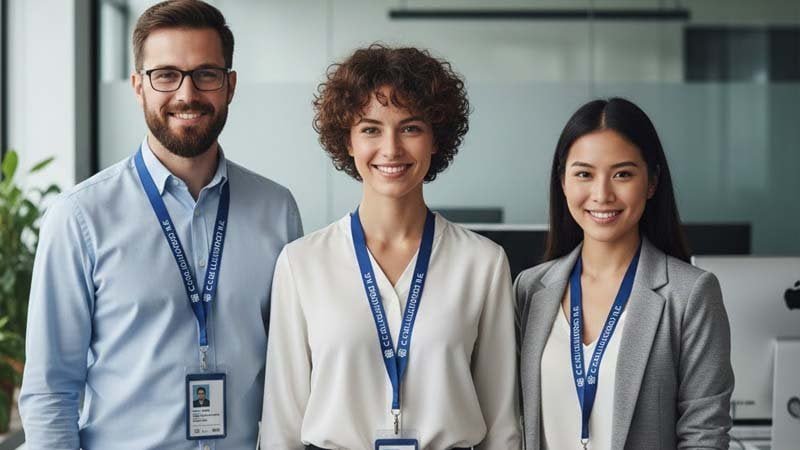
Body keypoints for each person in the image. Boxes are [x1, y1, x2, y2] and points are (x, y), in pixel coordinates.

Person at [19, 1, 302, 449]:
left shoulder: (276, 210)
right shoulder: (79, 218)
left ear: (229, 86)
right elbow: (51, 391)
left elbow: (293, 373)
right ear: (138, 86)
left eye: (206, 74)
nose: (186, 94)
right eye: (165, 75)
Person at [260, 44, 521, 449]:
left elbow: (503, 426)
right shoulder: (302, 263)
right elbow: (282, 427)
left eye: (411, 127)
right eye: (370, 129)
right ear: (347, 141)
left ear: (436, 139)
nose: (392, 148)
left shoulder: (482, 263)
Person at [515, 98, 734, 450]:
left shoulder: (690, 294)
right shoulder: (529, 289)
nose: (602, 194)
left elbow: (704, 436)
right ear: (563, 182)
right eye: (584, 174)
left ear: (652, 182)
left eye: (623, 174)